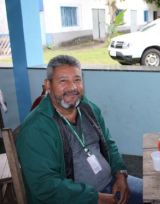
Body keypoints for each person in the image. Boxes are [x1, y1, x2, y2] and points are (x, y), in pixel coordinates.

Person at [16, 55, 143, 204]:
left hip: (111, 182)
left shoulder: (88, 108)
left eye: (77, 80)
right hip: (75, 199)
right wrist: (97, 198)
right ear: (48, 85)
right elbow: (45, 186)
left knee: (158, 194)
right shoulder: (36, 128)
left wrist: (121, 174)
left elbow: (109, 143)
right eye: (63, 81)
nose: (72, 87)